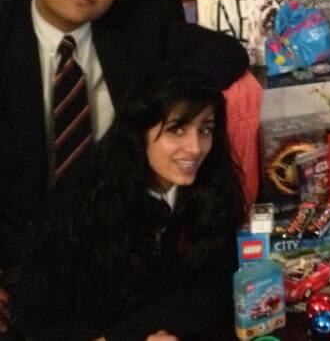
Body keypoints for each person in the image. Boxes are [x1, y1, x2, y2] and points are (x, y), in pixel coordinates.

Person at [0, 0, 247, 334]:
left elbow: (227, 55)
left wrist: (157, 104)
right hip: (18, 254)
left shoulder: (139, 24)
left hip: (117, 240)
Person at [10, 73, 246, 339]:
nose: (195, 147)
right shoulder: (81, 205)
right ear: (139, 133)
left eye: (205, 129)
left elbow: (218, 291)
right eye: (176, 129)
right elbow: (34, 322)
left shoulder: (212, 194)